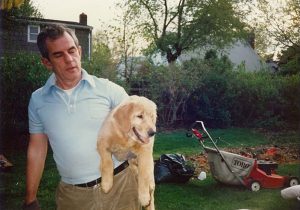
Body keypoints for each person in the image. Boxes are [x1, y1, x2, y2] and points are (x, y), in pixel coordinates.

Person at [23, 24, 141, 210]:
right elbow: (37, 148)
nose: (69, 59)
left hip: (120, 186)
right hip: (73, 196)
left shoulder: (108, 90)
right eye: (58, 55)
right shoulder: (38, 101)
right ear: (46, 62)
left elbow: (142, 129)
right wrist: (30, 198)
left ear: (79, 51)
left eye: (72, 51)